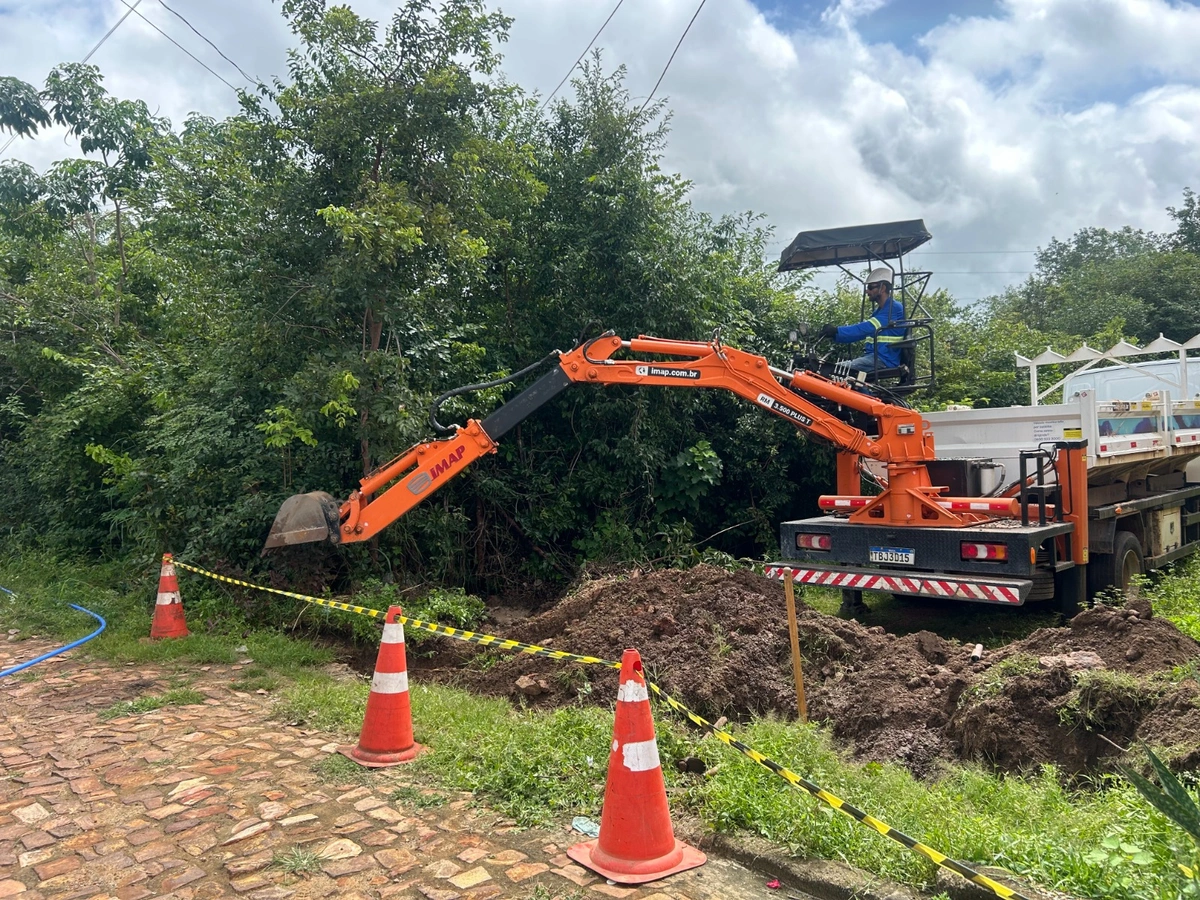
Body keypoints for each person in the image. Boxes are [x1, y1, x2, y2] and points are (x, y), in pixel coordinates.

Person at [819, 268, 906, 375]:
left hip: (884, 360)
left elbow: (867, 328)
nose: (867, 291)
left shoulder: (893, 308)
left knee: (836, 370)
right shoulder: (878, 311)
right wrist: (834, 335)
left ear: (882, 288)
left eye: (870, 287)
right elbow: (860, 334)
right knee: (845, 375)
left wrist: (837, 330)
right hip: (873, 358)